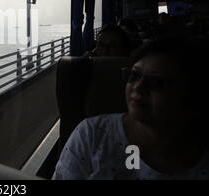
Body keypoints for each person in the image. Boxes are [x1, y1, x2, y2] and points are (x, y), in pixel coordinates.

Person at [54, 36, 209, 179]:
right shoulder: (92, 135)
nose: (138, 87)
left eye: (156, 82)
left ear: (191, 95)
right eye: (134, 76)